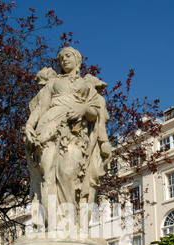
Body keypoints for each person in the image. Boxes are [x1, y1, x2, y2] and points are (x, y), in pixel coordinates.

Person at [23, 47, 112, 229]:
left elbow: (96, 111)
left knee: (67, 174)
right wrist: (29, 125)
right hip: (48, 129)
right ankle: (50, 225)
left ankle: (68, 224)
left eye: (68, 56)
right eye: (61, 57)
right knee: (47, 175)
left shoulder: (86, 86)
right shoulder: (52, 84)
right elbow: (41, 107)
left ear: (78, 60)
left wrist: (83, 109)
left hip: (74, 132)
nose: (64, 60)